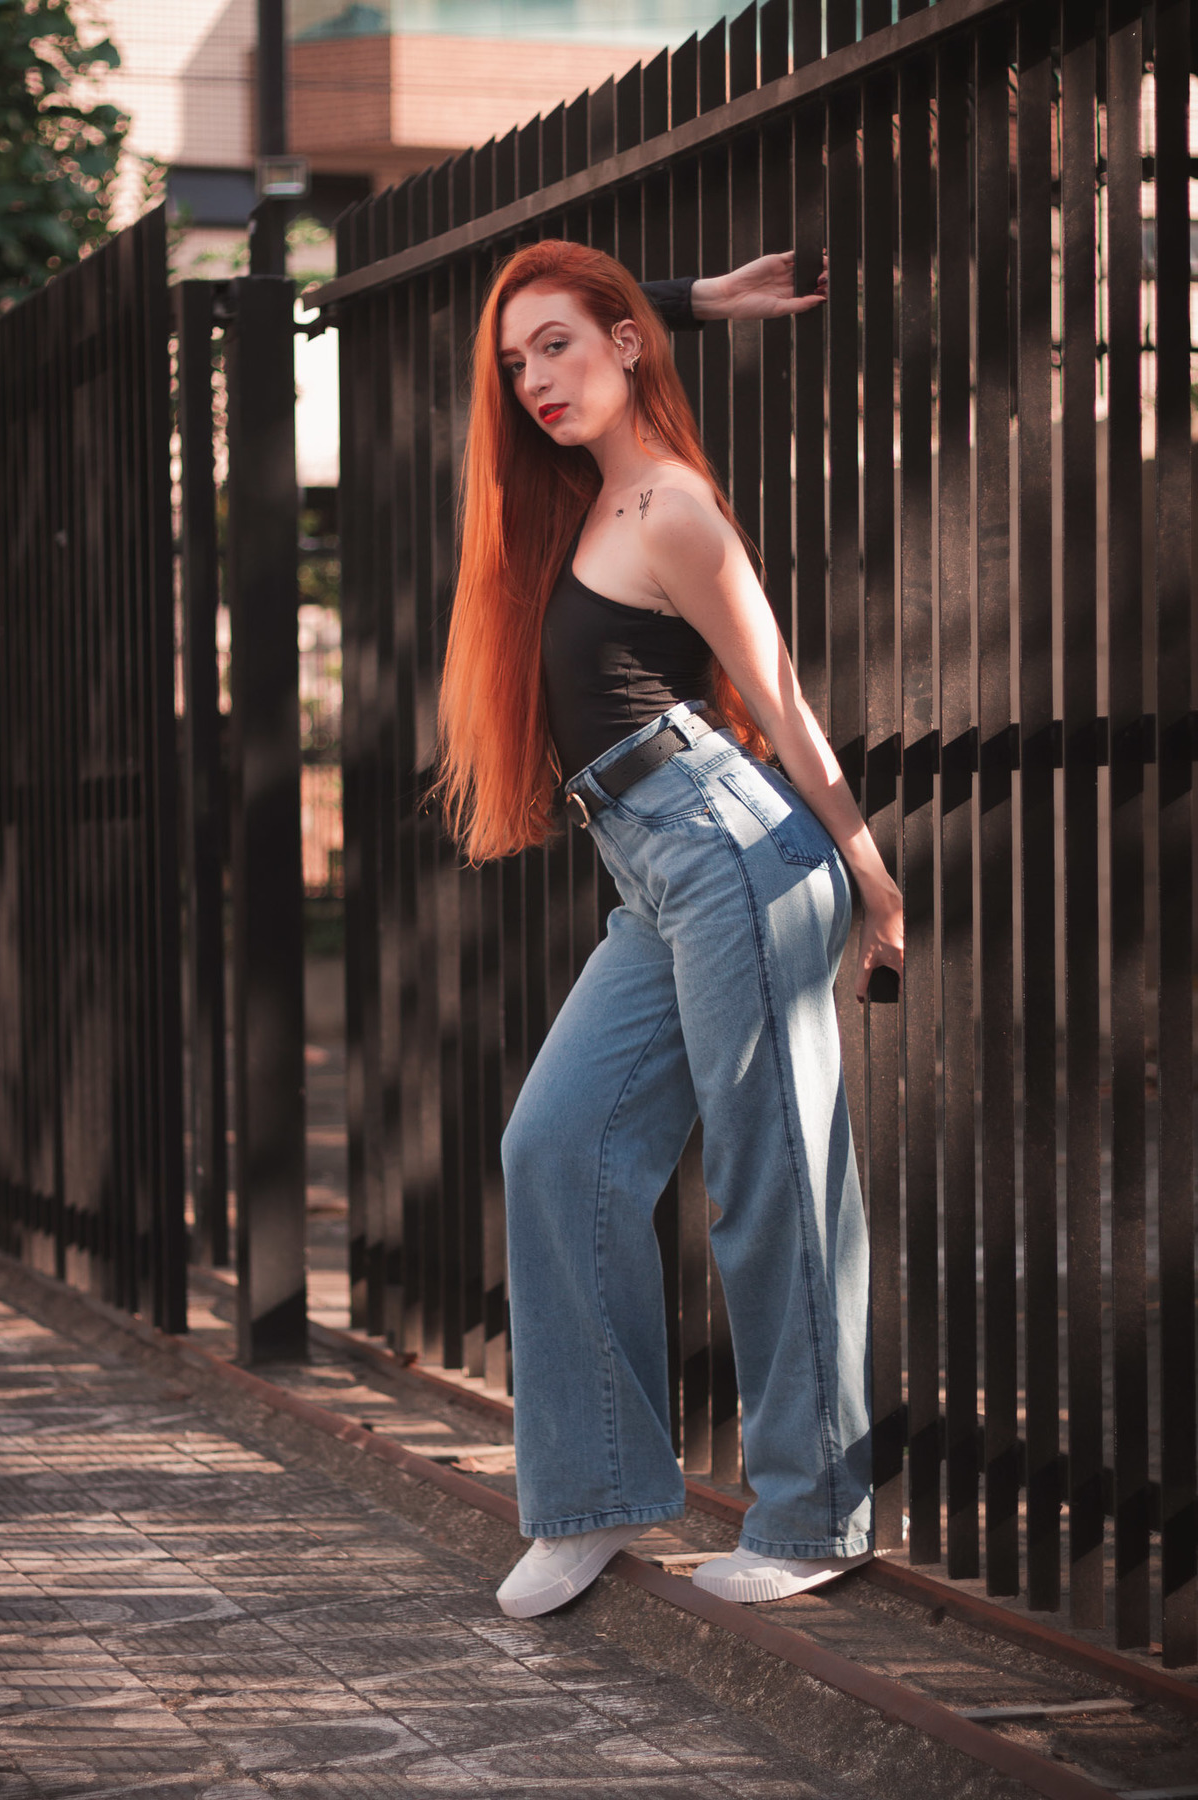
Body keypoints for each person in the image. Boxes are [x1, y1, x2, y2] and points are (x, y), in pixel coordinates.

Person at [436, 240, 903, 1621]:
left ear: (623, 347)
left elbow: (781, 693)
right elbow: (499, 332)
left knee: (773, 1177)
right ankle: (595, 1495)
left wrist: (870, 876)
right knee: (556, 1146)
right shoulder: (588, 501)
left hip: (729, 851)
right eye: (518, 361)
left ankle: (816, 1514)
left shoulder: (672, 505)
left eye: (561, 346)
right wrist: (688, 300)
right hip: (650, 869)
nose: (535, 379)